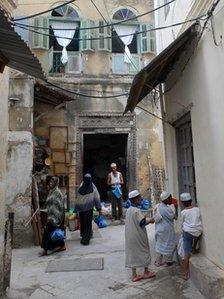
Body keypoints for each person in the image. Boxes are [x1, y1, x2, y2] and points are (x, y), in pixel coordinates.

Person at [125, 190, 156, 282]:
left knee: (133, 254)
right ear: (136, 199)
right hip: (138, 235)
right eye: (139, 198)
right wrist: (150, 220)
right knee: (145, 251)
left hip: (130, 236)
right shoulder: (136, 210)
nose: (141, 200)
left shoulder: (129, 210)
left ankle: (134, 274)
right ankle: (146, 272)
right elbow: (142, 222)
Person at [39, 176, 65, 256]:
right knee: (54, 232)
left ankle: (45, 250)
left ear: (56, 183)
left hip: (55, 216)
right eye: (50, 182)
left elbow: (60, 205)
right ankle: (62, 245)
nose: (50, 183)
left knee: (47, 233)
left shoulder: (57, 192)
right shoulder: (51, 191)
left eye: (52, 182)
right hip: (51, 216)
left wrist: (58, 216)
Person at [180, 193, 203, 280]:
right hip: (198, 231)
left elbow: (182, 224)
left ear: (183, 203)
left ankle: (185, 273)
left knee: (186, 253)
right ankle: (193, 248)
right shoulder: (197, 209)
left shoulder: (183, 212)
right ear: (191, 201)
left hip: (188, 233)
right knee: (196, 234)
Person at [75, 174, 102, 245]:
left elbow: (77, 200)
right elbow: (96, 198)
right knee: (87, 223)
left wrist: (76, 209)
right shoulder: (92, 188)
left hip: (81, 209)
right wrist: (99, 208)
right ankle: (86, 239)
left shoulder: (80, 188)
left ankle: (84, 234)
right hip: (89, 208)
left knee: (83, 222)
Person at [154, 191, 176, 267]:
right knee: (169, 244)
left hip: (159, 229)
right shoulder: (167, 209)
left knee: (160, 245)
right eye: (170, 198)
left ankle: (158, 261)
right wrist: (176, 207)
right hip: (167, 230)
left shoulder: (157, 206)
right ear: (166, 199)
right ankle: (168, 261)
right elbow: (175, 217)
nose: (171, 200)